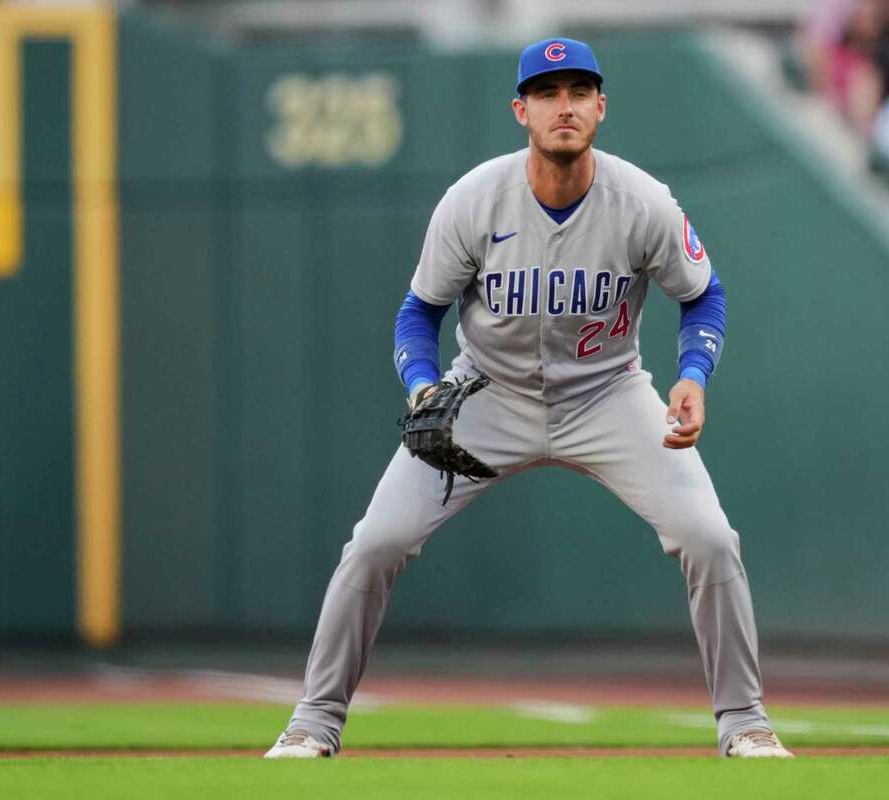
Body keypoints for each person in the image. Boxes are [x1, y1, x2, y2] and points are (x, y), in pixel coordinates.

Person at [264, 38, 791, 760]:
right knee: (376, 543)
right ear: (521, 110)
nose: (564, 105)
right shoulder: (474, 201)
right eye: (547, 92)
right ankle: (312, 725)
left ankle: (745, 724)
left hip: (609, 394)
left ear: (601, 106)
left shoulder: (642, 203)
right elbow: (419, 313)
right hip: (488, 393)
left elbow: (704, 297)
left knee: (708, 538)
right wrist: (423, 388)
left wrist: (693, 375)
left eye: (578, 90)